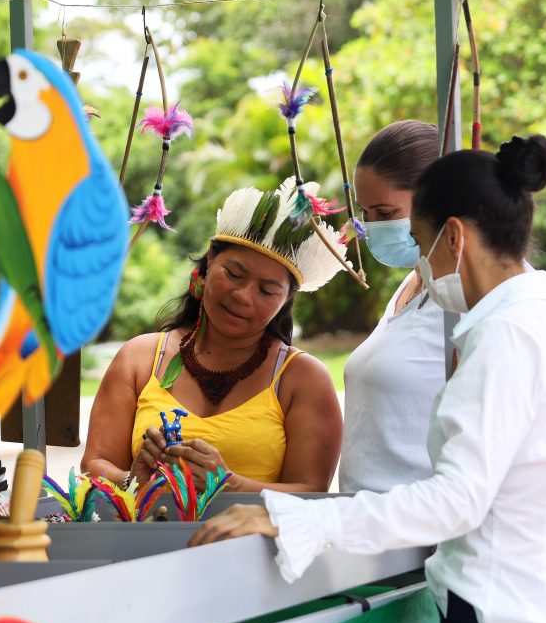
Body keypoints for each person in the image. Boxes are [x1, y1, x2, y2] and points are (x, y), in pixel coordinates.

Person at [191, 136, 546, 623]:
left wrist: (295, 518)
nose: (422, 267)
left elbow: (456, 500)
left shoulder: (501, 338)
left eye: (421, 243)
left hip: (502, 611)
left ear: (453, 236)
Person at [82, 177, 349, 493]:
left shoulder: (302, 379)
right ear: (209, 262)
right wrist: (134, 481)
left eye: (267, 290)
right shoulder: (139, 359)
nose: (243, 296)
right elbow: (94, 468)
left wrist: (227, 484)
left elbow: (312, 494)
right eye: (234, 274)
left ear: (286, 300)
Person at [340, 120, 445, 493]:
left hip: (417, 533)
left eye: (384, 214)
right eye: (366, 214)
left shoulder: (465, 303)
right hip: (373, 528)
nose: (373, 227)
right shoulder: (410, 285)